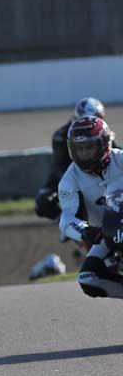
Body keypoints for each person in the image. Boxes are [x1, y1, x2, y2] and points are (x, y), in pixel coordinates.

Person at [58, 116, 123, 298]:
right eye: (80, 149)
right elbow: (66, 219)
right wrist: (86, 232)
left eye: (89, 147)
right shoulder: (69, 181)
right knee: (88, 278)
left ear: (104, 143)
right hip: (104, 233)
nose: (84, 153)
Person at [35, 97, 114, 220]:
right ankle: (68, 223)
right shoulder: (60, 136)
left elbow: (116, 156)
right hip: (69, 173)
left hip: (100, 173)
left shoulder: (105, 134)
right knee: (43, 201)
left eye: (94, 120)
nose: (88, 126)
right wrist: (76, 183)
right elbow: (60, 165)